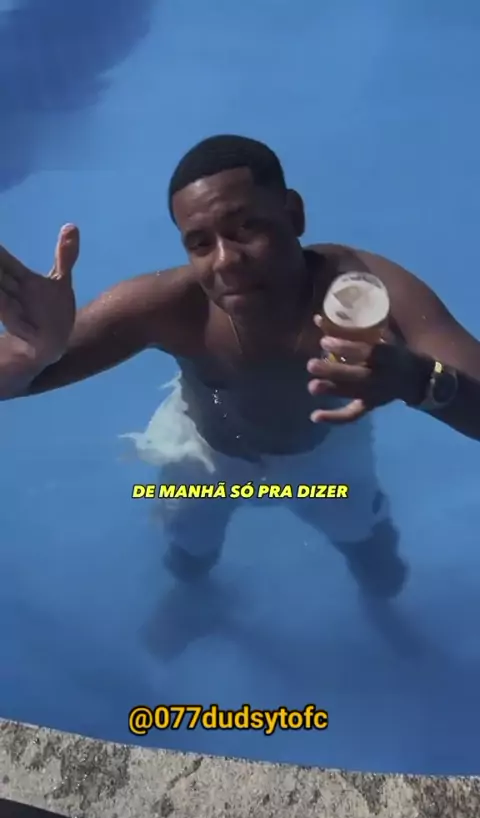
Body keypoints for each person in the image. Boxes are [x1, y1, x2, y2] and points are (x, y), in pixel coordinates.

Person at [1, 135, 480, 598]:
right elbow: (19, 379)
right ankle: (194, 599)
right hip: (204, 454)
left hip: (324, 465)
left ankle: (385, 612)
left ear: (293, 214)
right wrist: (31, 351)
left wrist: (420, 381)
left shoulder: (366, 294)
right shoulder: (170, 307)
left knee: (381, 570)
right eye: (200, 243)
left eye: (246, 227)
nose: (225, 260)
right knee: (189, 554)